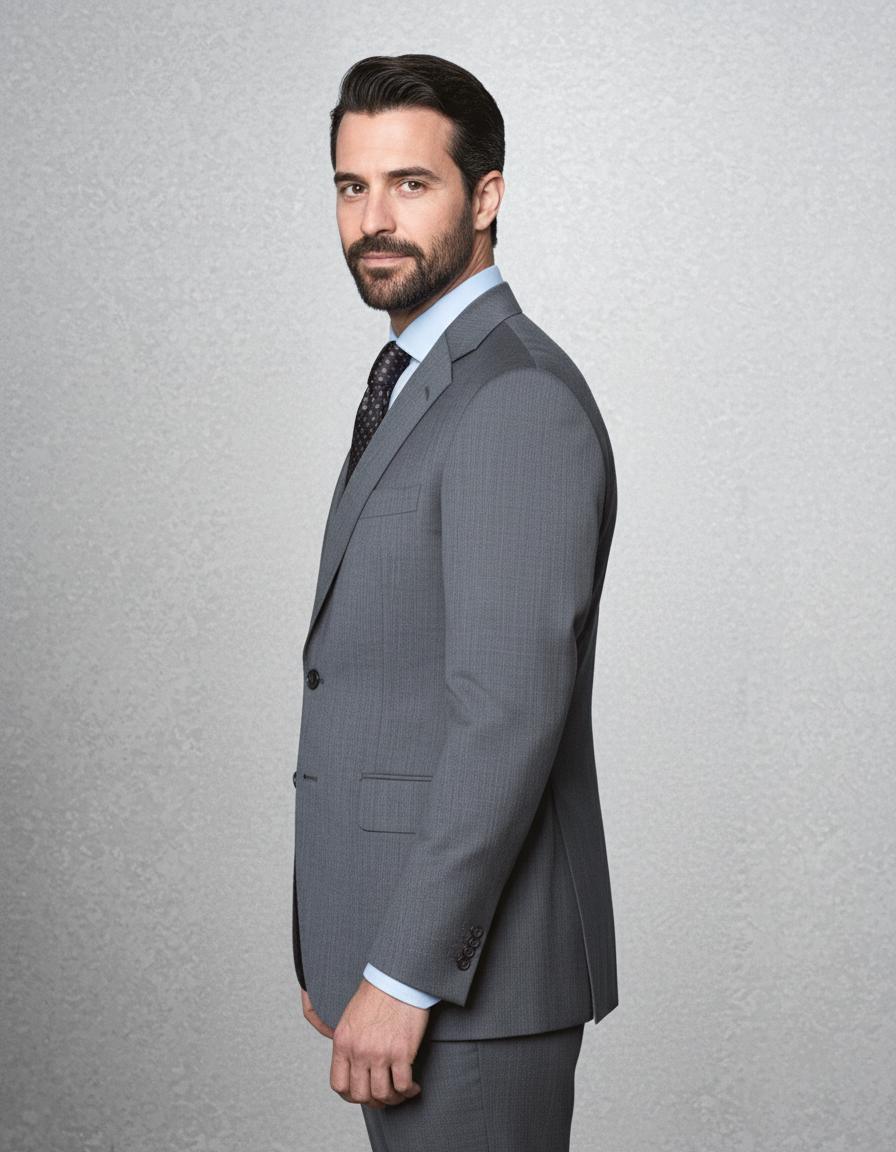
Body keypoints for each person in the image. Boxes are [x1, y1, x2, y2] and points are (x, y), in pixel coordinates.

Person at [292, 54, 618, 1152]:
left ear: (485, 197)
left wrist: (400, 972)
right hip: (405, 955)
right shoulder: (417, 382)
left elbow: (507, 715)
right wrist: (344, 937)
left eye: (410, 183)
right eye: (352, 186)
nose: (372, 219)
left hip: (469, 984)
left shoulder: (513, 395)